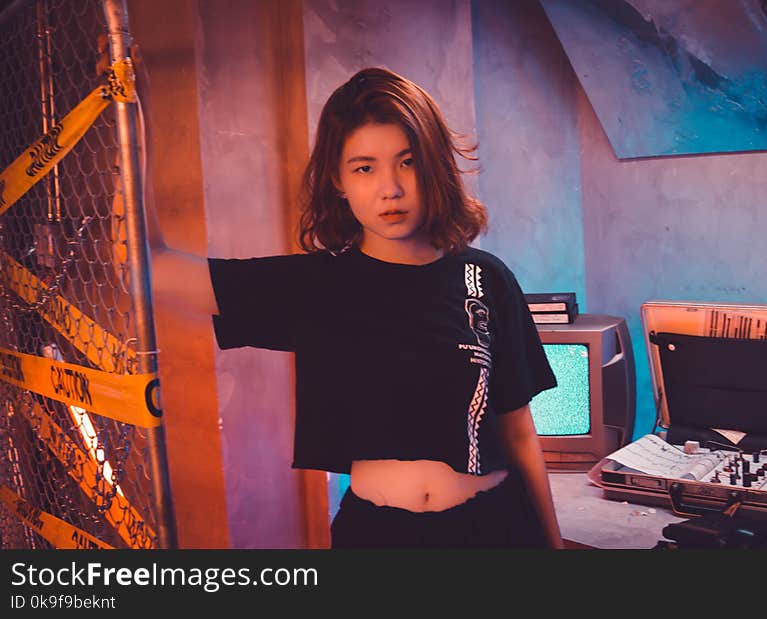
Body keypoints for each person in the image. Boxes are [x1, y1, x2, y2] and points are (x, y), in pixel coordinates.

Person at [150, 67, 564, 549]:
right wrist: (137, 133)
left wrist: (554, 553)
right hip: (375, 538)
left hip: (492, 533)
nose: (390, 188)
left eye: (407, 163)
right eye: (364, 167)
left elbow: (518, 433)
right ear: (339, 180)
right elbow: (154, 266)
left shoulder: (486, 278)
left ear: (434, 167)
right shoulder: (319, 284)